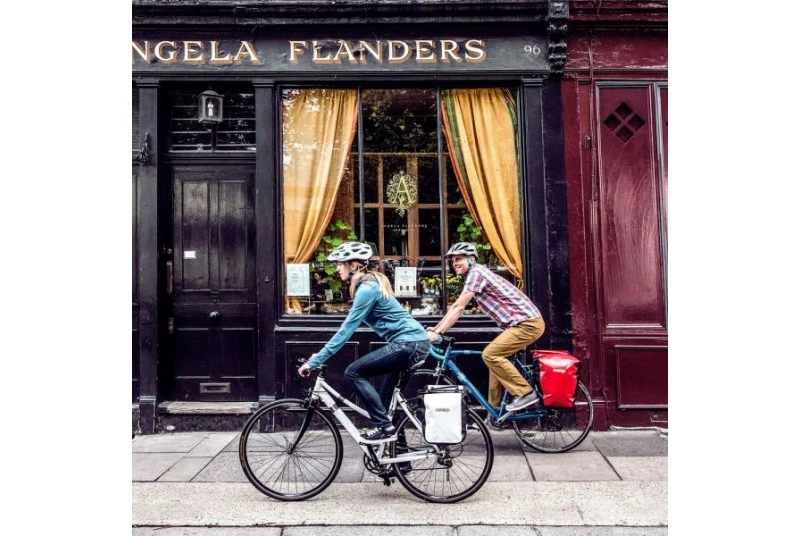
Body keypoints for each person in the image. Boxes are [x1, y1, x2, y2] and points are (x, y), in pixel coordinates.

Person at [298, 241, 431, 443]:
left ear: (354, 266)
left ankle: (384, 427)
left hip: (407, 344)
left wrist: (316, 360)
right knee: (385, 407)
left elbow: (346, 331)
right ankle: (398, 464)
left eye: (340, 264)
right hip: (415, 344)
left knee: (353, 372)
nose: (337, 268)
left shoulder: (367, 289)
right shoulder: (370, 285)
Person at [426, 242, 546, 422]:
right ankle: (495, 412)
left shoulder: (477, 273)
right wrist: (437, 329)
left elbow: (459, 307)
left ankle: (526, 393)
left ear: (471, 259)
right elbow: (455, 308)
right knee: (495, 361)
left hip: (527, 324)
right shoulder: (477, 274)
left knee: (490, 355)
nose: (454, 263)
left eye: (459, 259)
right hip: (520, 324)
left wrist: (438, 332)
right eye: (452, 261)